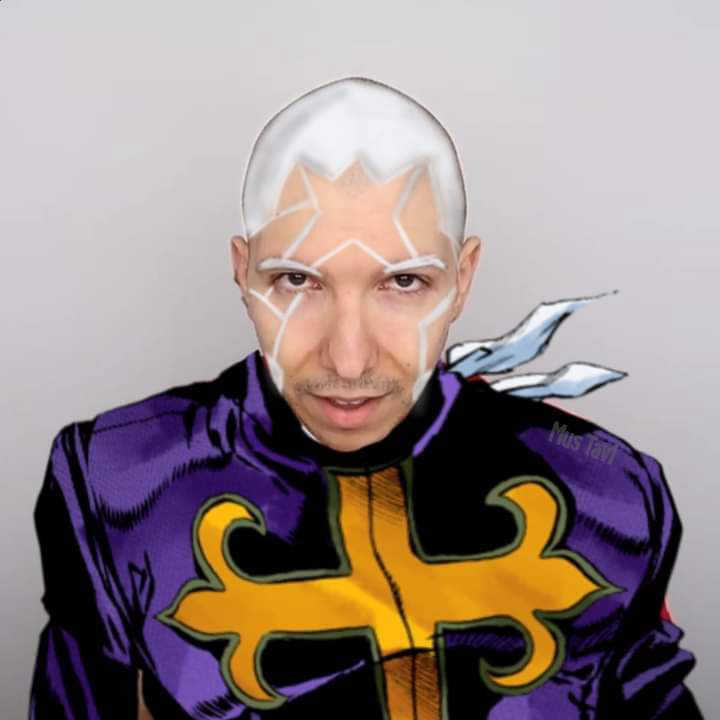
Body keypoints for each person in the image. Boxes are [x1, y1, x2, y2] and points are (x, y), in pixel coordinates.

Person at [29, 77, 702, 719]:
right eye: (296, 280)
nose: (348, 360)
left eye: (403, 283)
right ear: (242, 271)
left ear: (462, 278)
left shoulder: (604, 492)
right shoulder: (121, 485)